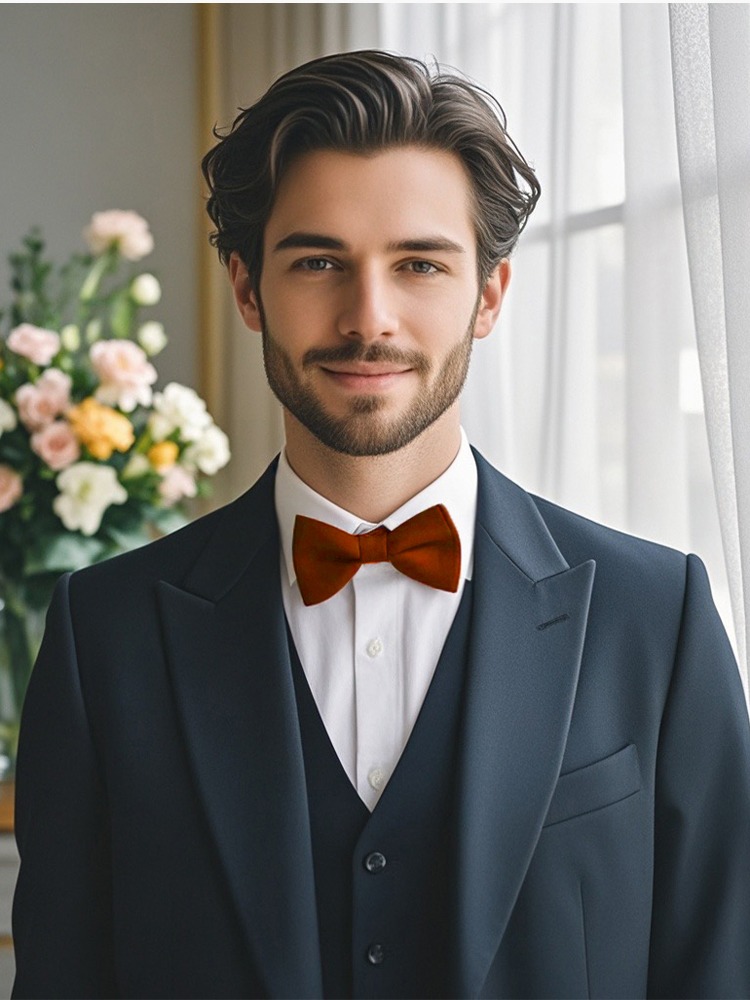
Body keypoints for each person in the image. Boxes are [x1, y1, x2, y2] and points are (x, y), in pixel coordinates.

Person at [11, 50, 750, 1000]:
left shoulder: (660, 620)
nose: (370, 318)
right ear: (247, 289)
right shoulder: (102, 636)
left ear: (488, 295)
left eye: (419, 264)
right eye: (318, 261)